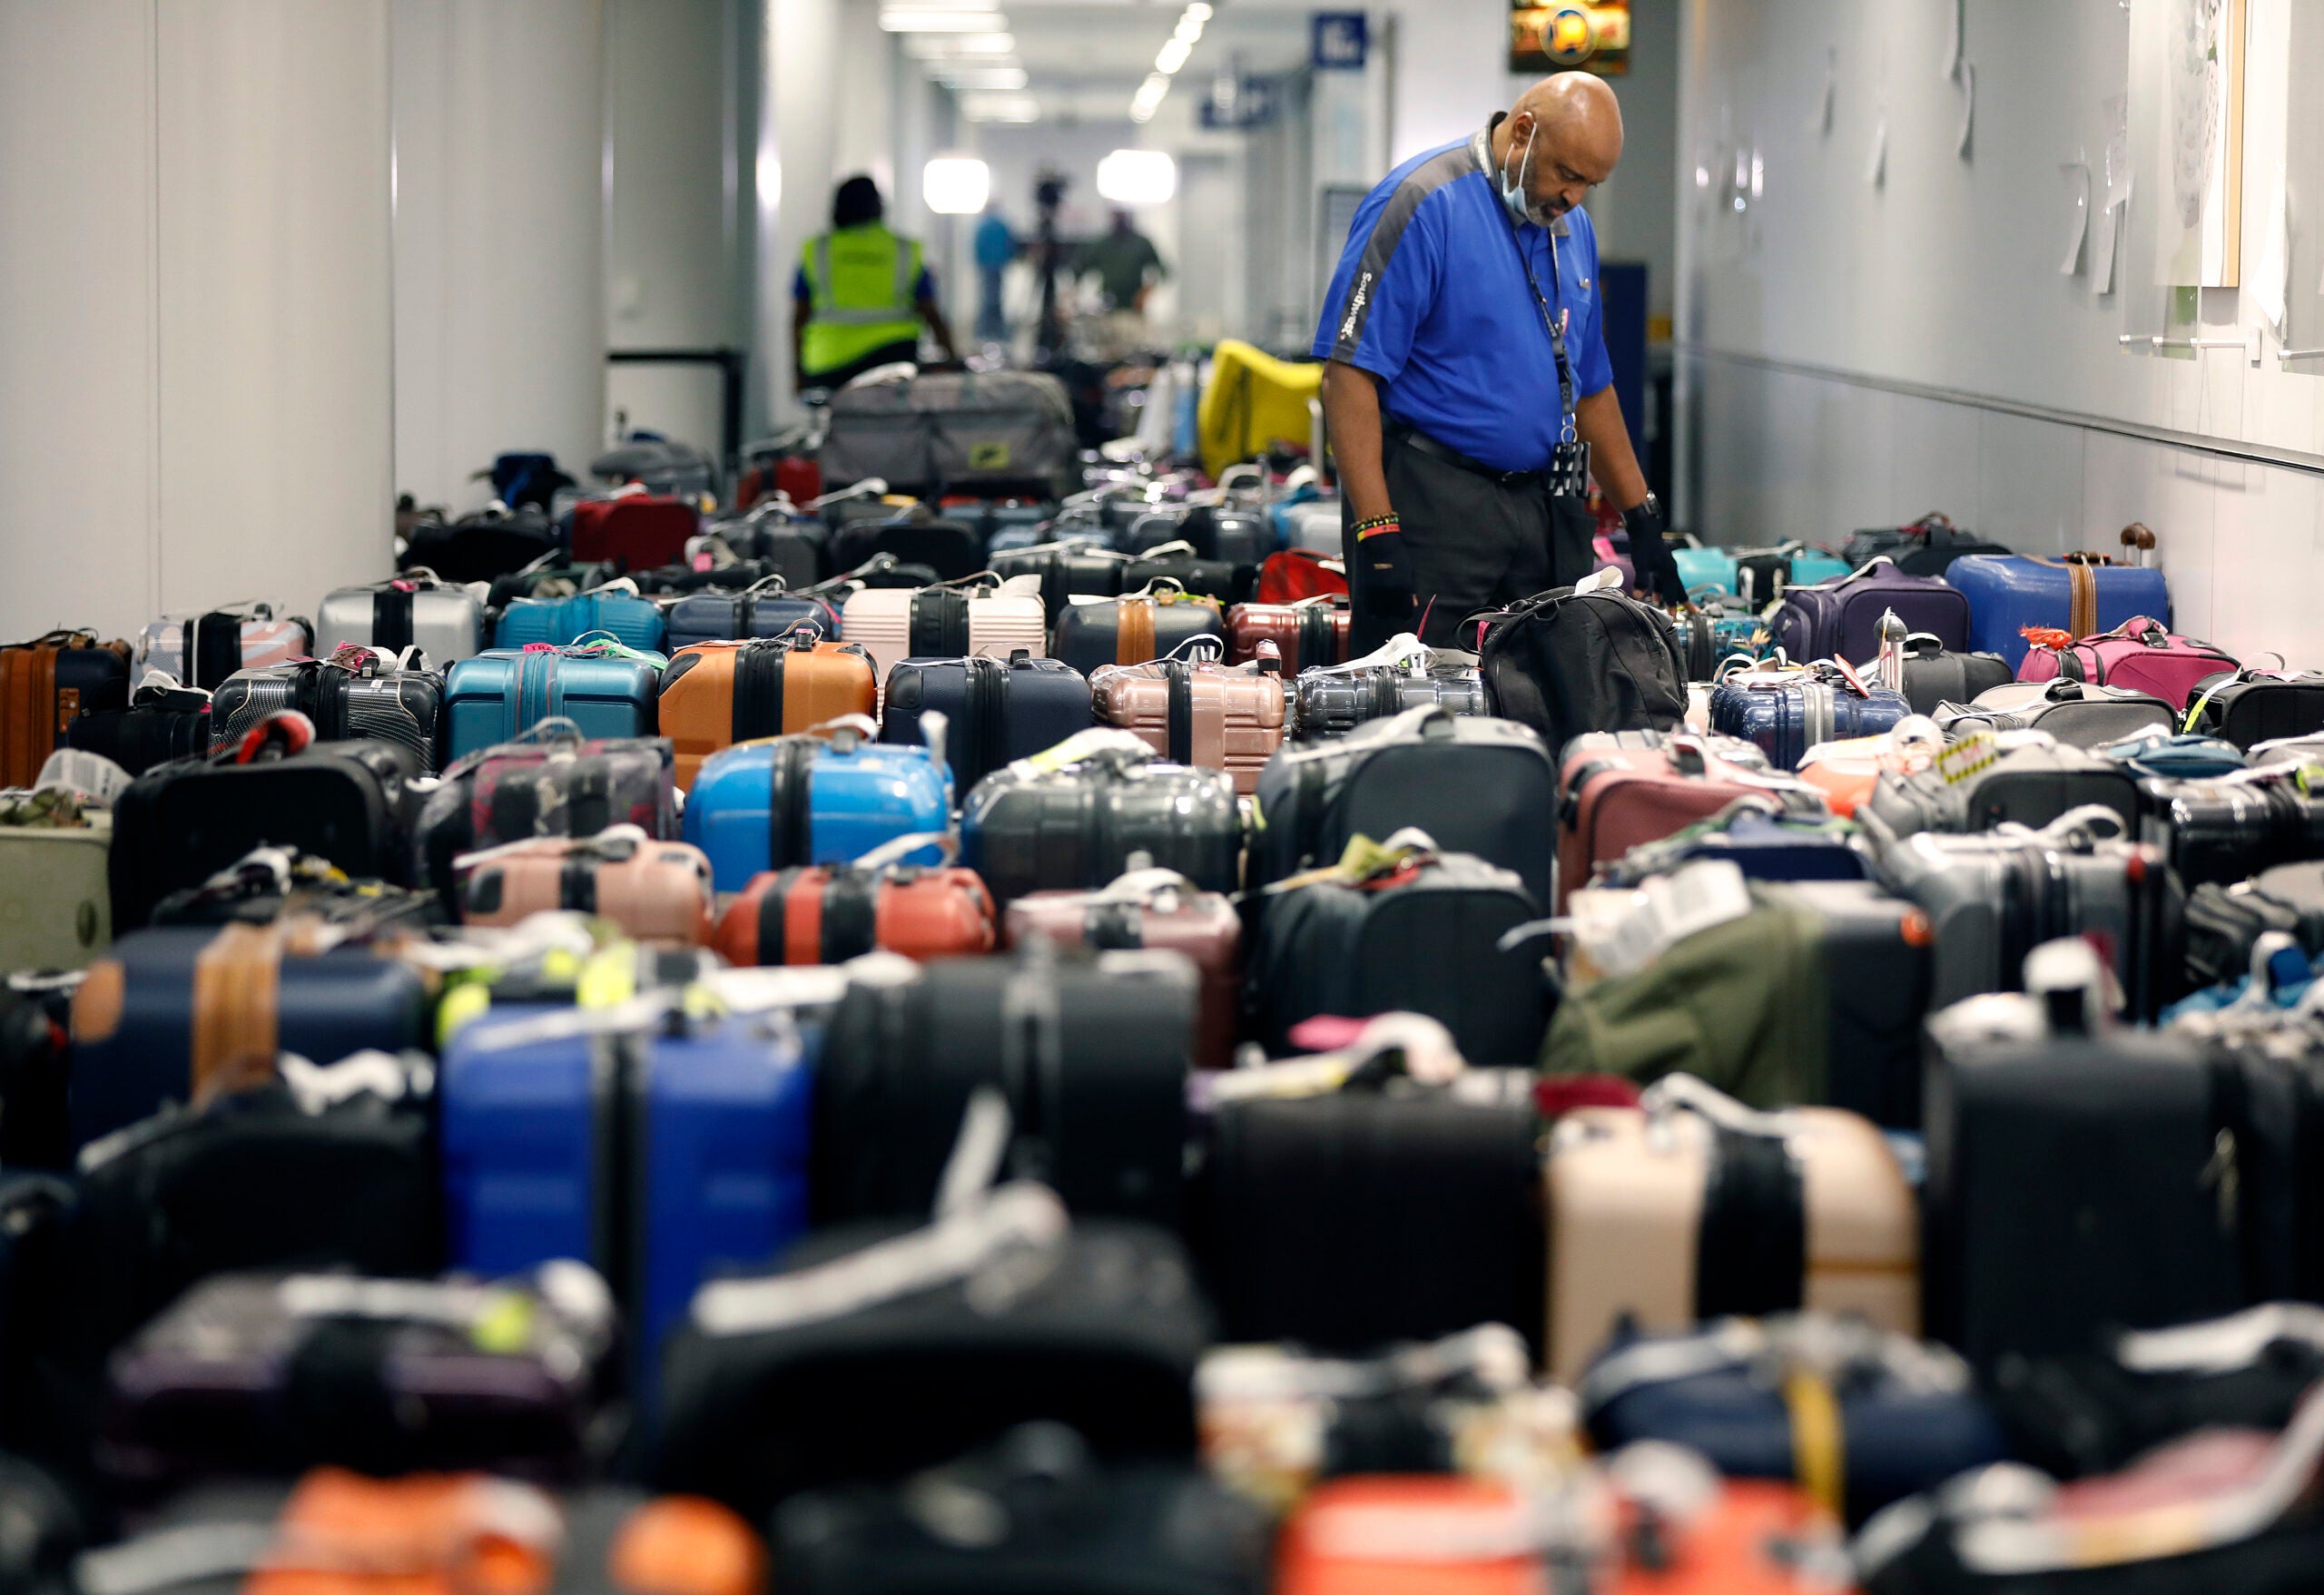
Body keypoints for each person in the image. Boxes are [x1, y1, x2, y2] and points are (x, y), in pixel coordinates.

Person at [1314, 74, 1685, 655]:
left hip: (1542, 512)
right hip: (1436, 507)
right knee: (1423, 711)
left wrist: (1642, 517)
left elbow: (1590, 389)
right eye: (1567, 173)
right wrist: (1376, 533)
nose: (1575, 197)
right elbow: (1348, 376)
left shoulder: (1570, 230)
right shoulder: (1421, 203)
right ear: (1523, 132)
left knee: (1547, 697)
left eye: (1592, 183)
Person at [793, 175, 958, 393]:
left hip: (829, 363)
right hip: (893, 360)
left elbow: (799, 317)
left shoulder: (819, 250)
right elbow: (931, 312)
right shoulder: (904, 250)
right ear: (879, 206)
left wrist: (797, 373)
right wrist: (953, 360)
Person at [1074, 211, 1167, 318]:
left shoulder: (1141, 243)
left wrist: (1146, 291)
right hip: (1108, 302)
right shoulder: (1101, 244)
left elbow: (1162, 270)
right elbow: (1080, 268)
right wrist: (1073, 294)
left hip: (1134, 304)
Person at [973, 206, 1019, 345]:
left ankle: (989, 332)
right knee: (993, 298)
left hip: (989, 266)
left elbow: (977, 246)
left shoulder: (983, 226)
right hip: (997, 265)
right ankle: (991, 332)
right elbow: (1011, 244)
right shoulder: (1001, 225)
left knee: (990, 298)